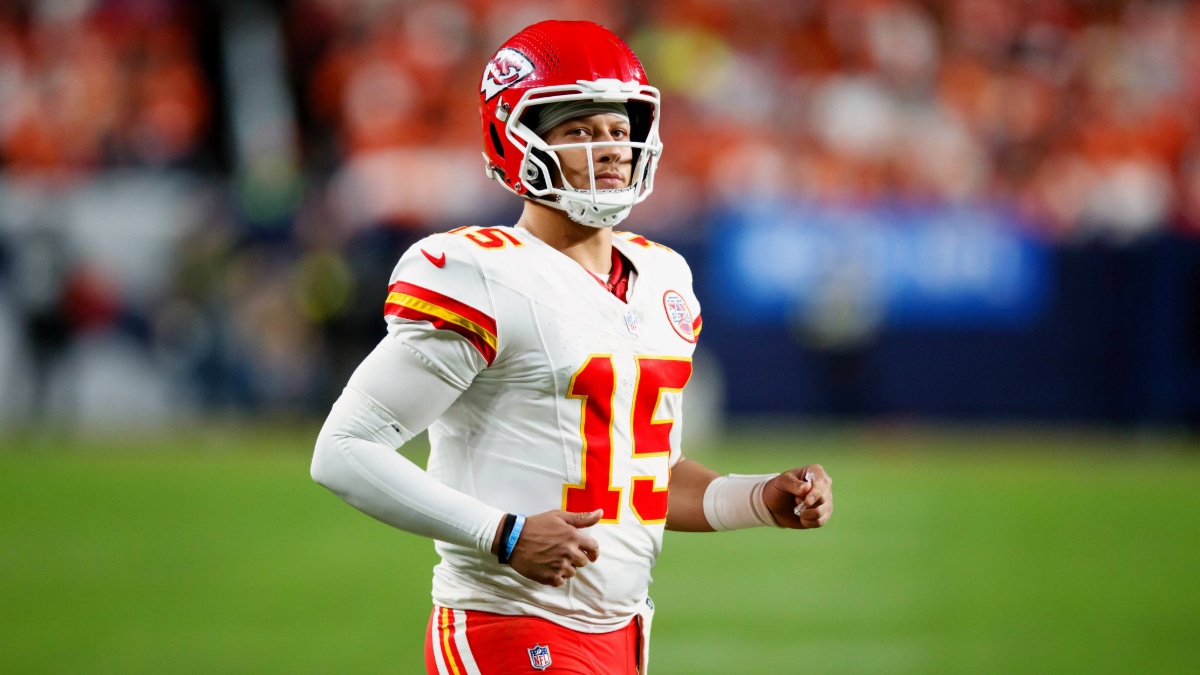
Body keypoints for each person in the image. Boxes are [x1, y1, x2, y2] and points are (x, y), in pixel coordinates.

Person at [310, 20, 833, 675]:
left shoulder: (662, 277)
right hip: (505, 624)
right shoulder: (479, 272)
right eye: (580, 130)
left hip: (622, 631)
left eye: (619, 129)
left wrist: (761, 498)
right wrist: (502, 533)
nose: (610, 148)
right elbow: (343, 450)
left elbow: (640, 482)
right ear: (514, 137)